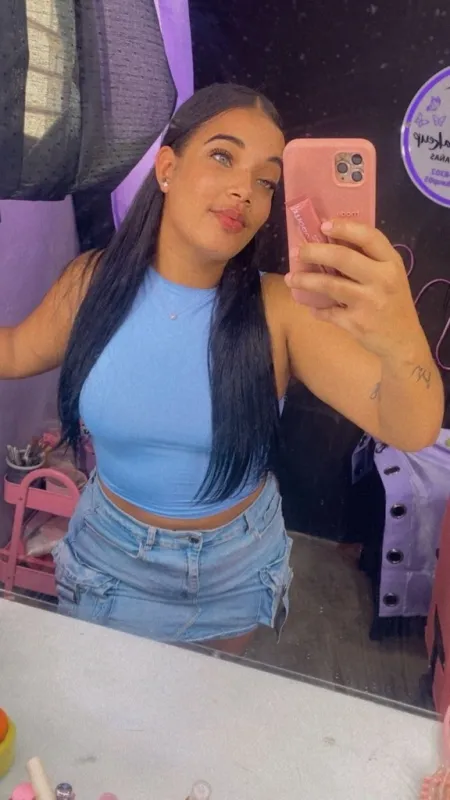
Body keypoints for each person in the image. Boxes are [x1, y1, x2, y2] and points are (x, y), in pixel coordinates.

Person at [2, 84, 443, 655]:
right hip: (108, 556)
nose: (245, 191)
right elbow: (14, 351)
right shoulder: (91, 284)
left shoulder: (280, 309)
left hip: (233, 565)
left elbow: (411, 428)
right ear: (167, 167)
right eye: (222, 156)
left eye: (266, 181)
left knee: (203, 708)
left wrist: (400, 334)